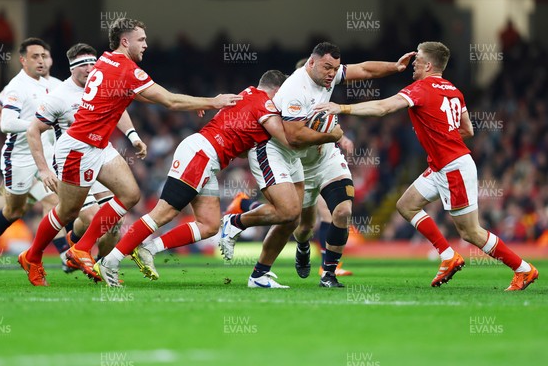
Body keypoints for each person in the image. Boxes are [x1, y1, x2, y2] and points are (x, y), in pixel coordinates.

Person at [18, 18, 241, 286]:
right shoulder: (127, 69)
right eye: (141, 40)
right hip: (78, 147)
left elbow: (139, 95)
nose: (146, 45)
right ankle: (32, 256)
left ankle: (79, 248)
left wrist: (189, 107)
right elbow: (167, 99)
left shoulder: (106, 60)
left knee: (130, 194)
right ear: (125, 41)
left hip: (99, 145)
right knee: (67, 211)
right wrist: (211, 101)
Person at [315, 41, 539, 291]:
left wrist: (342, 107)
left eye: (418, 59)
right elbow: (468, 130)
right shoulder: (454, 90)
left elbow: (383, 107)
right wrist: (440, 135)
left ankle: (523, 269)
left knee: (471, 232)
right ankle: (447, 256)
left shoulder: (421, 88)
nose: (413, 63)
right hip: (441, 165)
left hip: (453, 166)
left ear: (429, 65)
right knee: (406, 205)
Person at [219, 42, 415, 288]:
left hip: (324, 157)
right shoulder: (294, 90)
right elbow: (294, 137)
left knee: (342, 212)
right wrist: (332, 135)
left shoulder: (329, 76)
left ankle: (328, 274)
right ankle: (238, 224)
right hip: (283, 153)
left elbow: (364, 70)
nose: (332, 74)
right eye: (327, 68)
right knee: (296, 222)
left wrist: (395, 67)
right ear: (311, 63)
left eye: (335, 68)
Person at [94, 70, 292, 287]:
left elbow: (241, 143)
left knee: (209, 225)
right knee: (163, 213)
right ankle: (110, 261)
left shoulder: (247, 94)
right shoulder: (265, 103)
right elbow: (287, 139)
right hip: (201, 155)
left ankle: (150, 248)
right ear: (278, 91)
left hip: (206, 158)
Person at [26, 43, 147, 274]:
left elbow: (118, 108)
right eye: (83, 65)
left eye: (93, 63)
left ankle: (99, 264)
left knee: (115, 222)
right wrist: (43, 170)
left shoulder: (102, 85)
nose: (90, 68)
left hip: (100, 153)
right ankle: (42, 253)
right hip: (73, 159)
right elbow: (33, 130)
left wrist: (133, 136)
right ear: (72, 68)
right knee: (82, 215)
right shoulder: (59, 96)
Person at [0, 37, 60, 279]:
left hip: (45, 155)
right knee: (14, 210)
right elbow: (7, 123)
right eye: (35, 57)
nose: (40, 61)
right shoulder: (17, 87)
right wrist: (39, 125)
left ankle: (40, 258)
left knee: (59, 202)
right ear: (22, 60)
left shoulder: (48, 85)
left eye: (43, 56)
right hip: (19, 157)